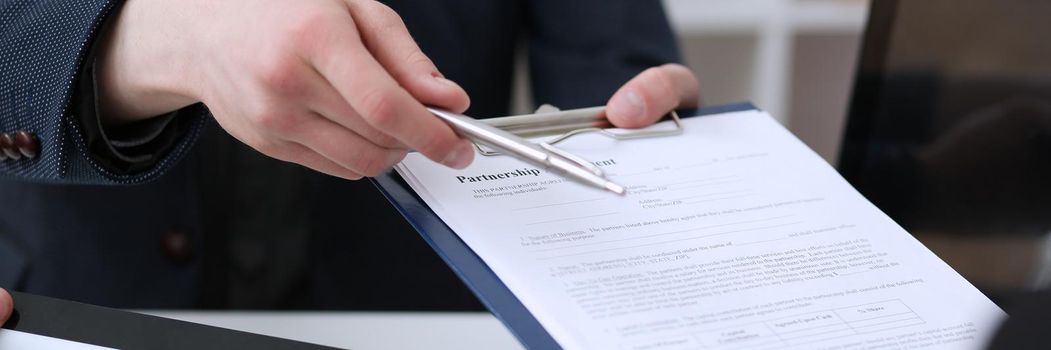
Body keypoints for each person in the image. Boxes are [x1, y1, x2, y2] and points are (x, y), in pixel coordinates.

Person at [0, 0, 698, 309]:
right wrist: (176, 38)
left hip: (415, 310)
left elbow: (609, 65)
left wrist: (629, 124)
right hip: (71, 302)